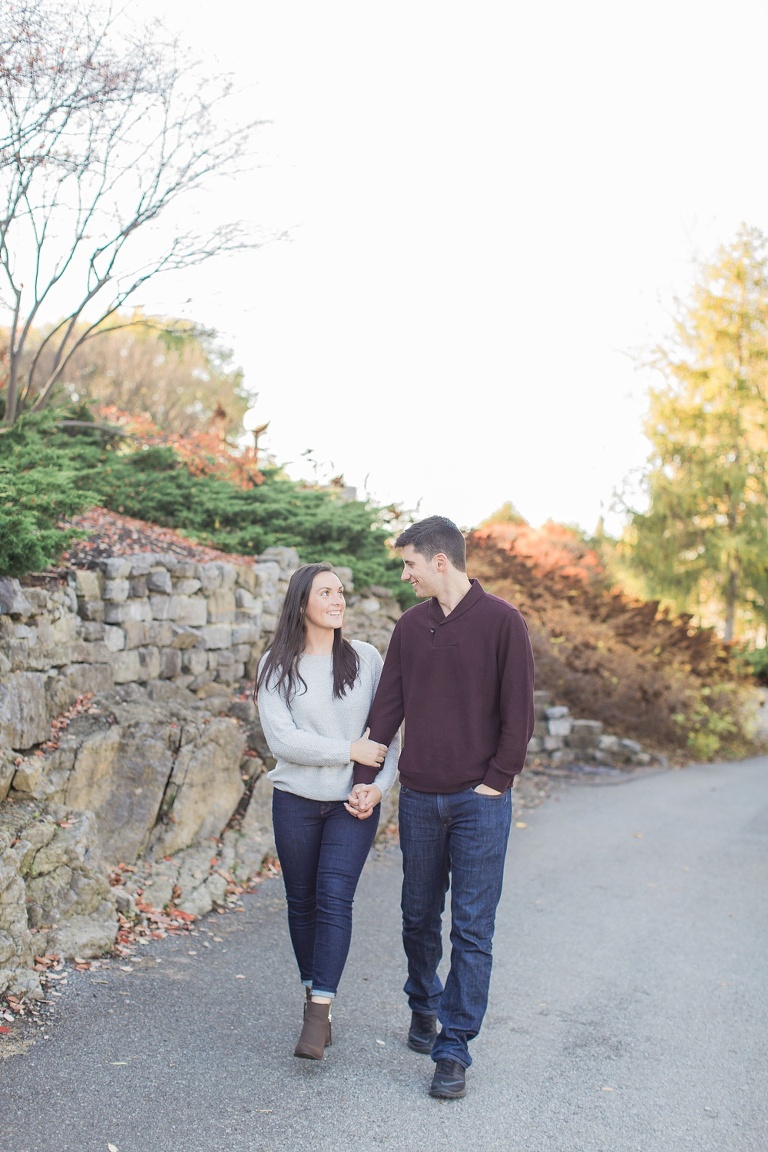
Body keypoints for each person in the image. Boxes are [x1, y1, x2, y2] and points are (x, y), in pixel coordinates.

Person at [349, 515, 535, 1099]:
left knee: (473, 929)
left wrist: (497, 782)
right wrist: (366, 777)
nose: (403, 574)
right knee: (417, 916)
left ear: (439, 561)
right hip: (422, 799)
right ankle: (423, 1004)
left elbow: (519, 712)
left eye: (408, 564)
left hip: (480, 802)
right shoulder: (410, 627)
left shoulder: (504, 623)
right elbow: (386, 710)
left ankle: (453, 1050)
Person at [256, 562, 399, 1060]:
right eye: (326, 592)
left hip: (351, 804)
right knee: (301, 902)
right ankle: (314, 991)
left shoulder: (364, 658)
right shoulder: (275, 664)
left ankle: (317, 1012)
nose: (338, 600)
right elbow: (283, 740)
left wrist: (379, 787)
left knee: (334, 897)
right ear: (302, 605)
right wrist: (348, 751)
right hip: (294, 800)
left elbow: (388, 732)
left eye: (340, 592)